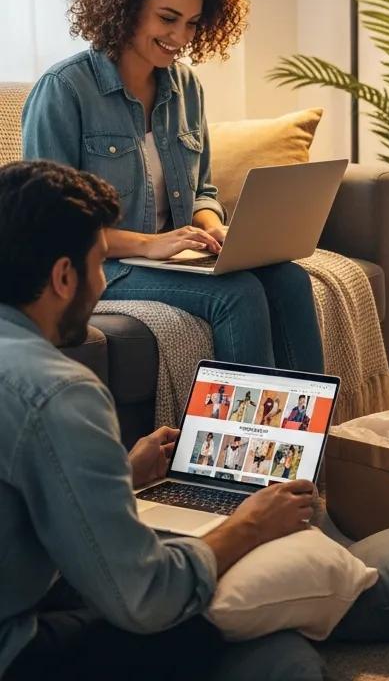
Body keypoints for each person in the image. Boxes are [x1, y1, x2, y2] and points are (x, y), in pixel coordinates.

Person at [0, 160, 324, 679]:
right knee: (198, 626)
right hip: (15, 653)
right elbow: (146, 598)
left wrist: (122, 479)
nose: (102, 283)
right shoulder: (60, 391)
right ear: (64, 276)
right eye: (101, 263)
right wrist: (251, 525)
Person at [21, 0, 324, 374]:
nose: (180, 37)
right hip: (104, 266)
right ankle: (239, 444)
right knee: (237, 294)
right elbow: (52, 225)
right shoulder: (65, 90)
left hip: (176, 259)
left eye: (192, 23)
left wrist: (213, 226)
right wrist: (149, 244)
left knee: (290, 280)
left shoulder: (185, 87)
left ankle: (306, 436)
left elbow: (202, 188)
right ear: (127, 8)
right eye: (167, 19)